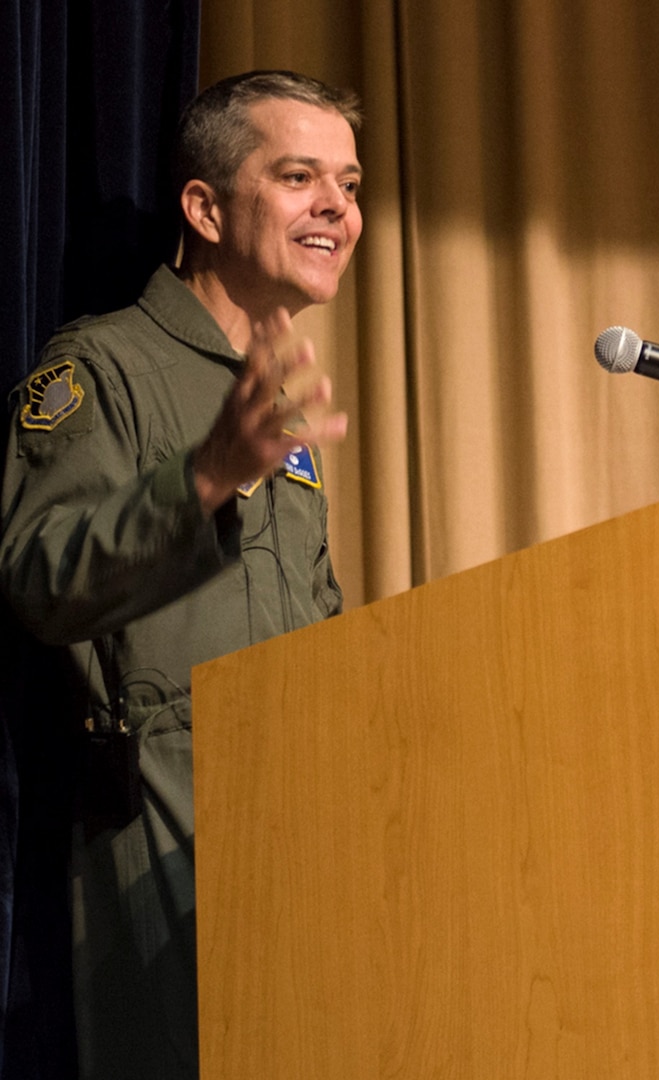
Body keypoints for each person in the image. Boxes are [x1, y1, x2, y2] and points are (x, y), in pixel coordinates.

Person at [0, 70, 363, 1080]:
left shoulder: (275, 402)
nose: (339, 206)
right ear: (204, 206)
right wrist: (208, 474)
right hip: (162, 834)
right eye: (299, 176)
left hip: (303, 832)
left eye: (350, 179)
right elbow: (40, 577)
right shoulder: (101, 367)